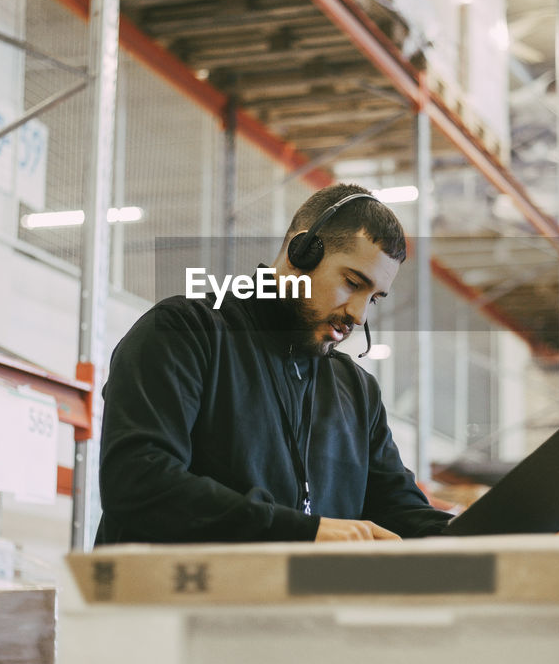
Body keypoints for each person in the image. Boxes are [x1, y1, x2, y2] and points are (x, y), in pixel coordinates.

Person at [94, 183, 453, 544]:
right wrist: (304, 533)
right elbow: (138, 483)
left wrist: (484, 534)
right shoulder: (185, 332)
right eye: (352, 283)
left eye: (373, 299)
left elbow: (403, 513)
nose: (358, 315)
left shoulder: (357, 392)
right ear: (302, 251)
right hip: (169, 598)